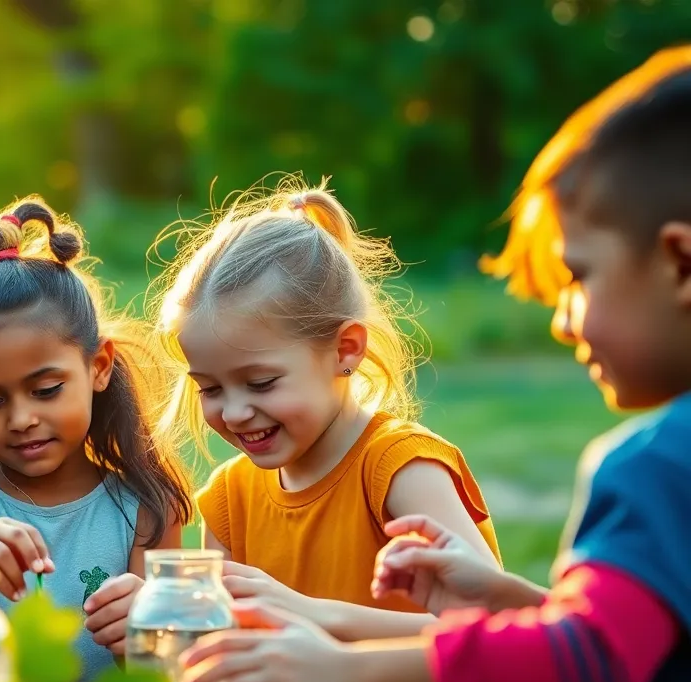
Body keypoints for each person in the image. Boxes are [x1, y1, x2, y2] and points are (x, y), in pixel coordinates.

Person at [179, 47, 691, 682]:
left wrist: (340, 669)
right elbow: (636, 635)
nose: (562, 320)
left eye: (579, 277)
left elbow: (592, 658)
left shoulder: (659, 464)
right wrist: (514, 598)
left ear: (681, 264)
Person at [125, 180, 502, 642]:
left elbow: (499, 628)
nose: (236, 412)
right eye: (210, 388)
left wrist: (309, 616)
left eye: (261, 383)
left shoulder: (399, 469)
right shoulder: (230, 500)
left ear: (345, 349)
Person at [0, 199, 193, 680]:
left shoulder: (146, 507)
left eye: (46, 391)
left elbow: (164, 676)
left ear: (99, 367)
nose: (22, 418)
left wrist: (146, 628)